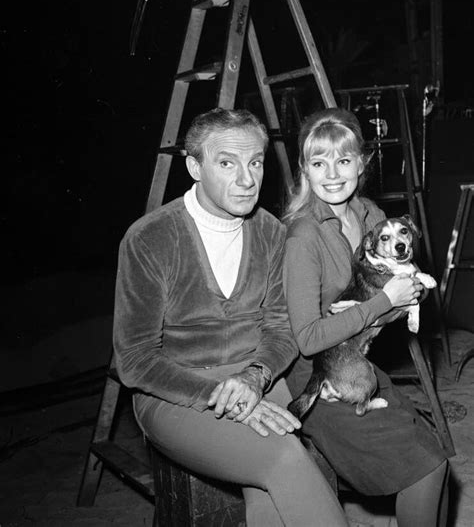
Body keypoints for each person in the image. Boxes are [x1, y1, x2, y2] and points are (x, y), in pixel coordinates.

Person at [113, 108, 348, 527]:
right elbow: (135, 361)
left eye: (255, 162)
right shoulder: (150, 238)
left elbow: (280, 329)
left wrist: (256, 377)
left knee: (275, 486)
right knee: (284, 458)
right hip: (175, 392)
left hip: (256, 375)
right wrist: (218, 394)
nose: (246, 179)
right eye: (227, 163)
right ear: (194, 167)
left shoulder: (271, 232)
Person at [282, 107, 450, 527]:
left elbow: (403, 298)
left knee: (438, 461)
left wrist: (380, 306)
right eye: (319, 163)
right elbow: (307, 339)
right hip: (320, 376)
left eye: (343, 160)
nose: (333, 174)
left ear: (363, 162)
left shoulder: (372, 216)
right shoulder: (304, 235)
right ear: (305, 169)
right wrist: (376, 306)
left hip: (356, 357)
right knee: (424, 470)